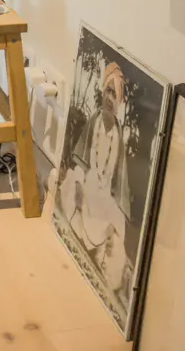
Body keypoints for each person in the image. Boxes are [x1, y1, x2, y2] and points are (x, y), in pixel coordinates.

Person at [58, 62, 130, 299]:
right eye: (107, 91)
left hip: (105, 194)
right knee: (73, 186)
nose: (109, 98)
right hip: (87, 182)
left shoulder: (119, 136)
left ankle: (108, 264)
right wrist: (79, 184)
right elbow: (80, 162)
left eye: (114, 93)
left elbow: (118, 184)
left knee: (117, 219)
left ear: (119, 101)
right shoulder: (94, 122)